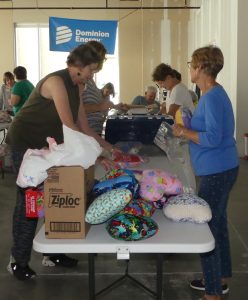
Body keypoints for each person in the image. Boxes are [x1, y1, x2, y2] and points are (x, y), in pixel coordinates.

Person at [5, 41, 118, 281]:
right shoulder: (56, 82)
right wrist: (97, 155)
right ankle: (18, 260)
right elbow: (70, 125)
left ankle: (53, 252)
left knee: (55, 194)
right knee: (30, 202)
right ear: (79, 65)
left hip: (49, 146)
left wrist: (109, 148)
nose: (92, 76)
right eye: (91, 70)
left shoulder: (77, 85)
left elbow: (85, 127)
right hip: (25, 143)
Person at [173, 45, 239, 300]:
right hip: (222, 167)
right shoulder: (213, 93)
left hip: (217, 170)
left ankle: (212, 292)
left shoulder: (211, 97)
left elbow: (211, 138)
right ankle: (219, 278)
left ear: (200, 68)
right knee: (218, 223)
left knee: (207, 228)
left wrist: (182, 132)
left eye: (191, 65)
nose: (189, 69)